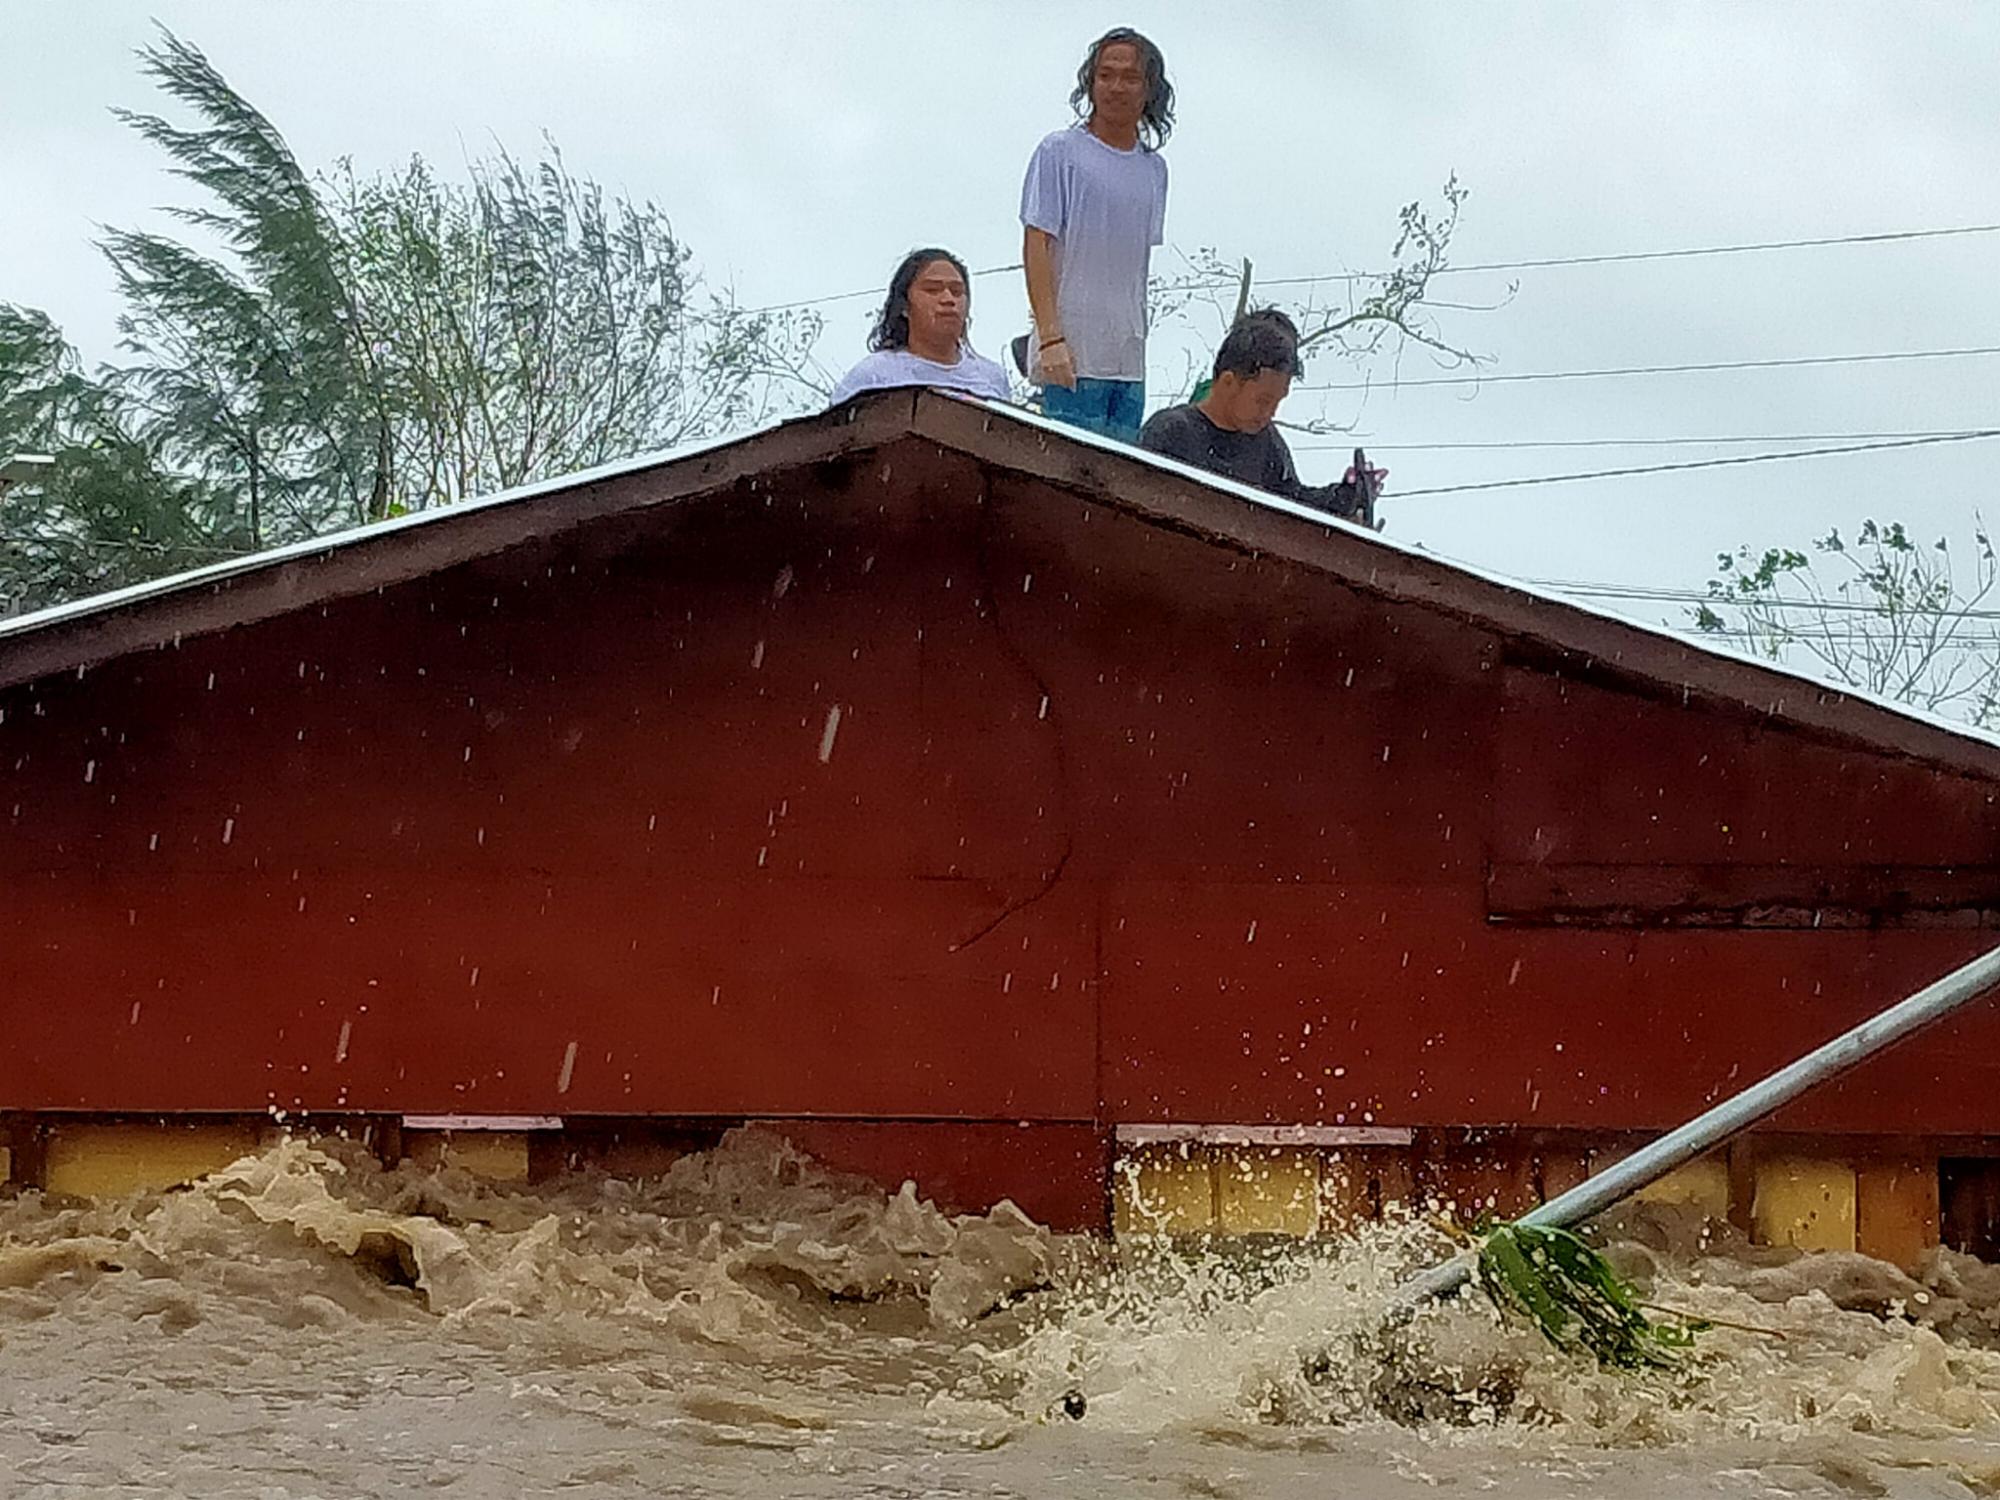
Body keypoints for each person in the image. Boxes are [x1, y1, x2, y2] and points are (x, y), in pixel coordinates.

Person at [1019, 28, 1172, 443]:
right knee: (1067, 470)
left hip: (1128, 362)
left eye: (1129, 77)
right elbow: (1036, 244)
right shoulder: (1059, 152)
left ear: (1149, 89)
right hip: (1070, 357)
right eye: (1106, 75)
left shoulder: (1154, 170)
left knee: (1116, 475)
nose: (1116, 87)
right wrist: (1050, 338)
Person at [1139, 311, 1374, 524]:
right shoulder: (1171, 432)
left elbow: (1291, 503)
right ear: (1228, 383)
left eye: (1278, 402)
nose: (1271, 413)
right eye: (1263, 401)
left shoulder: (1268, 443)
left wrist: (1340, 498)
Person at [828, 248, 1012, 405]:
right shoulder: (872, 376)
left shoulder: (992, 378)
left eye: (957, 291)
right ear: (904, 306)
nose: (948, 299)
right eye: (932, 290)